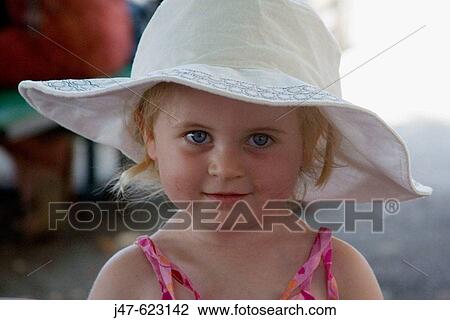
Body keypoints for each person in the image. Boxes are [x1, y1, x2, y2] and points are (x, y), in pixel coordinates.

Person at [18, 0, 432, 299]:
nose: (226, 167)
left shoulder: (340, 275)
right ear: (150, 138)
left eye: (260, 139)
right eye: (197, 136)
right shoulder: (131, 281)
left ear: (308, 149)